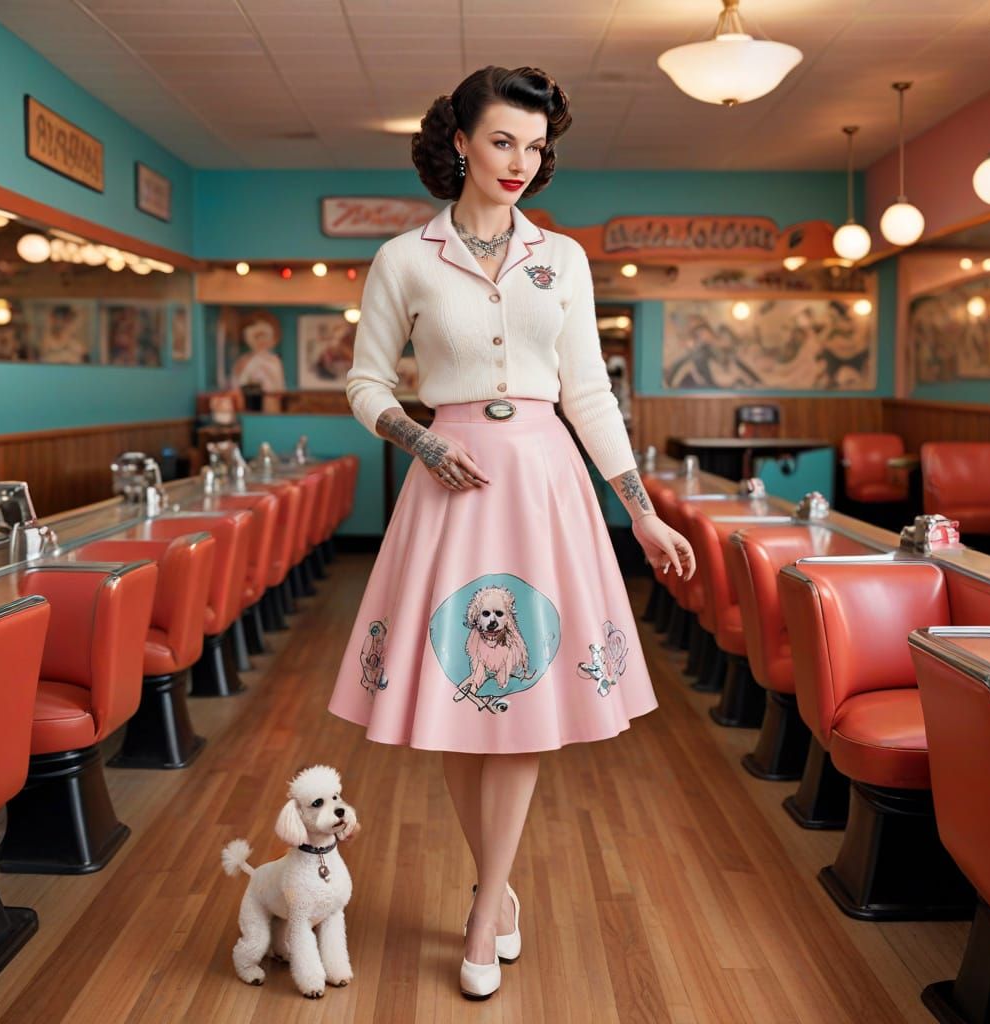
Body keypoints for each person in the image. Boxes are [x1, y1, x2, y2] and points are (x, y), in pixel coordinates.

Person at [326, 65, 696, 1000]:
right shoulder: (404, 258)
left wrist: (641, 513)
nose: (521, 162)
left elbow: (590, 395)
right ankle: (497, 894)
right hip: (448, 481)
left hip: (543, 482)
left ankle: (487, 907)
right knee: (459, 701)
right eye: (503, 141)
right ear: (459, 141)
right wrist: (417, 439)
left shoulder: (563, 259)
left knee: (522, 699)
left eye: (536, 147)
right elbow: (366, 384)